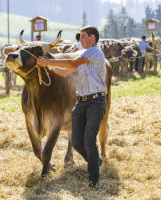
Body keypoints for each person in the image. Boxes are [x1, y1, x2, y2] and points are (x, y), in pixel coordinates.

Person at [37, 26, 106, 188]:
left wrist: (48, 61)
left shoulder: (94, 52)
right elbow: (65, 71)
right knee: (76, 141)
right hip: (81, 102)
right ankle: (95, 162)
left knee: (88, 141)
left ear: (93, 38)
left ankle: (94, 181)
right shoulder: (84, 56)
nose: (80, 40)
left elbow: (71, 62)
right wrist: (47, 67)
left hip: (95, 103)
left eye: (83, 37)